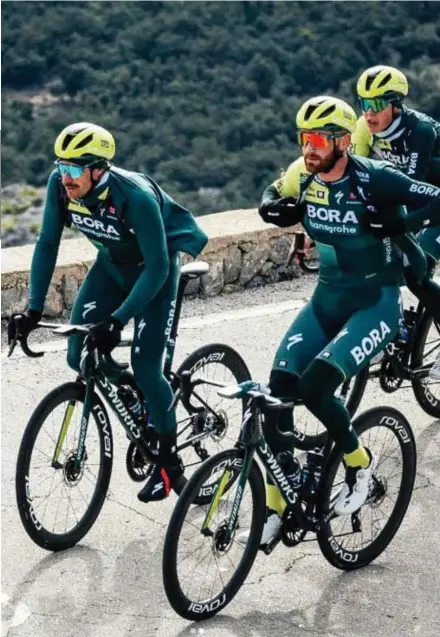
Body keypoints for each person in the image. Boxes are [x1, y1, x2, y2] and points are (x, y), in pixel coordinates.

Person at [242, 95, 440, 546]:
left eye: (319, 139)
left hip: (375, 303)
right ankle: (278, 501)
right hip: (325, 301)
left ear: (344, 141)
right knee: (276, 396)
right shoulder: (303, 174)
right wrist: (271, 207)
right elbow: (272, 193)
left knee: (314, 388)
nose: (309, 148)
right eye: (304, 138)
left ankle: (358, 465)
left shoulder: (375, 179)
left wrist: (399, 224)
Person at [7, 122, 208, 503]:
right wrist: (32, 309)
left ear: (98, 169)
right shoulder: (60, 186)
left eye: (73, 169)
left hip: (154, 273)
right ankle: (131, 396)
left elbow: (158, 267)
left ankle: (169, 465)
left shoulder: (134, 198)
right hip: (111, 267)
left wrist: (116, 321)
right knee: (76, 353)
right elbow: (47, 242)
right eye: (61, 167)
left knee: (147, 367)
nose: (64, 177)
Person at [352, 65, 440, 377]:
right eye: (363, 104)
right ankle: (392, 327)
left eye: (376, 105)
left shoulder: (421, 130)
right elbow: (354, 174)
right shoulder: (366, 129)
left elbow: (410, 187)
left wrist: (396, 228)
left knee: (417, 269)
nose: (368, 113)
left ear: (395, 104)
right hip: (419, 200)